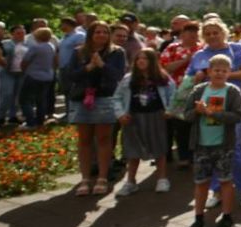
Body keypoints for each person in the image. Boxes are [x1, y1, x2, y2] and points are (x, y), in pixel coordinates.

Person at [188, 20, 241, 207]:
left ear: (223, 33)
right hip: (206, 109)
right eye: (208, 33)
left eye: (215, 32)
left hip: (231, 106)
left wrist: (223, 76)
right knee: (209, 149)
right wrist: (195, 79)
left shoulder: (236, 49)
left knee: (233, 149)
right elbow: (190, 78)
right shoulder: (199, 55)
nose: (212, 36)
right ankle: (217, 191)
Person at [183, 54, 241, 227]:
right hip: (201, 145)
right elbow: (186, 115)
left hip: (223, 145)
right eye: (216, 70)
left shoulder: (232, 92)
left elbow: (237, 116)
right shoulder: (199, 90)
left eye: (224, 71)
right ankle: (199, 218)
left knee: (226, 181)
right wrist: (197, 111)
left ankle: (227, 216)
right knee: (201, 183)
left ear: (229, 73)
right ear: (209, 71)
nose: (220, 73)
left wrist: (213, 113)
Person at [64, 22, 127, 195]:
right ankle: (85, 179)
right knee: (84, 140)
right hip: (82, 99)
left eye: (105, 32)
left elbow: (118, 75)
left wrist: (102, 65)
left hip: (105, 98)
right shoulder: (78, 52)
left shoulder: (116, 52)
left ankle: (102, 177)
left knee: (103, 139)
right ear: (90, 34)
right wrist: (89, 67)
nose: (101, 35)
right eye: (97, 32)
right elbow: (71, 75)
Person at [113, 48, 174, 195]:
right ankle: (131, 181)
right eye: (138, 58)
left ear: (152, 61)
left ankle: (162, 178)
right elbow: (117, 98)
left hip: (156, 116)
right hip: (133, 117)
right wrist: (120, 114)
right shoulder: (128, 79)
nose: (141, 61)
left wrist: (170, 110)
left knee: (159, 147)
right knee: (132, 149)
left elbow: (173, 95)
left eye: (145, 58)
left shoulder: (162, 78)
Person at [160, 21, 202, 168]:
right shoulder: (172, 48)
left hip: (195, 93)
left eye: (195, 32)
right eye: (189, 32)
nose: (192, 35)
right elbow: (165, 68)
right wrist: (186, 60)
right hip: (173, 92)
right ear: (182, 34)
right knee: (171, 125)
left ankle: (188, 156)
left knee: (189, 126)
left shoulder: (202, 49)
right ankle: (167, 155)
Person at [19, 27, 57, 128]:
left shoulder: (35, 47)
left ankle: (30, 122)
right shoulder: (51, 46)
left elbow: (25, 61)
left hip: (33, 76)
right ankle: (40, 121)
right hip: (47, 76)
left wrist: (24, 70)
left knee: (24, 99)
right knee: (41, 100)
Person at [0, 24, 26, 126]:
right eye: (18, 33)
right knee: (7, 94)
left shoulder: (27, 44)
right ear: (12, 34)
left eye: (23, 33)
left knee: (17, 96)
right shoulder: (5, 44)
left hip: (21, 73)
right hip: (7, 73)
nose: (21, 35)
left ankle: (13, 116)